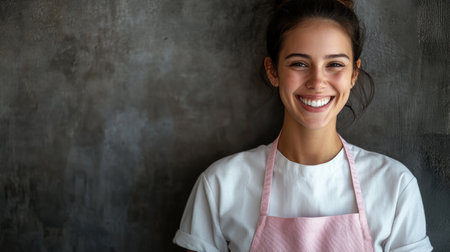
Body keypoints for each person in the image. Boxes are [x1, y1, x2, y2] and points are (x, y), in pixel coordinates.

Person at [173, 0, 433, 251]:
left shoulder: (395, 185)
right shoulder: (221, 183)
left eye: (334, 65)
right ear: (273, 71)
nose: (317, 81)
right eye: (299, 63)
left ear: (354, 74)